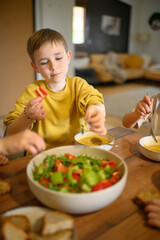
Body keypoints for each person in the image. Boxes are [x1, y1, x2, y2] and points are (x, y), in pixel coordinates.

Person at [4, 28, 107, 150]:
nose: (53, 66)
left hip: (78, 149)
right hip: (43, 153)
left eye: (58, 58)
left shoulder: (78, 85)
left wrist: (97, 109)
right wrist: (27, 116)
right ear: (35, 67)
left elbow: (94, 99)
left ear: (68, 57)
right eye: (43, 63)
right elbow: (10, 134)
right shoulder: (32, 92)